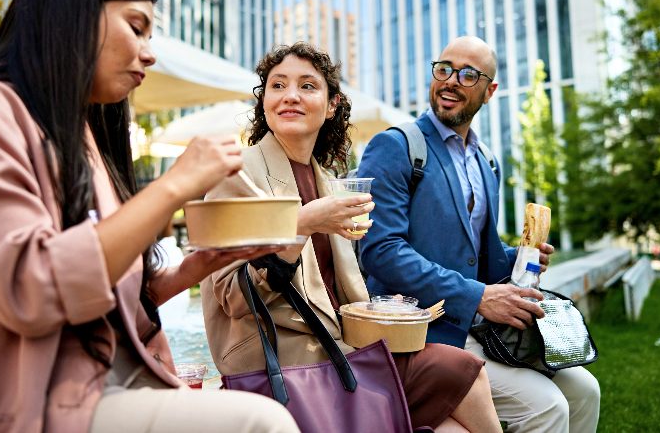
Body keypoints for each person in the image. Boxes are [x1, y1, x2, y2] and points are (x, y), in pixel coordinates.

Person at [0, 0, 299, 433]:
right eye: (136, 28)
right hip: (14, 398)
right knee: (259, 422)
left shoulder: (82, 138)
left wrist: (196, 268)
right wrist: (173, 185)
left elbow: (100, 297)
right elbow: (32, 291)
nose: (150, 53)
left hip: (98, 380)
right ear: (71, 16)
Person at [202, 41, 502, 432]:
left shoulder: (329, 183)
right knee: (462, 371)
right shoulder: (235, 174)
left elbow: (334, 292)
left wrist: (385, 308)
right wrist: (302, 222)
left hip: (344, 352)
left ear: (331, 105)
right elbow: (233, 298)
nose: (290, 95)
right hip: (284, 366)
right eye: (277, 85)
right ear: (263, 102)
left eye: (307, 86)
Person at [357, 36, 601, 432]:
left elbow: (476, 256)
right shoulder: (396, 146)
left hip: (479, 330)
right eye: (444, 69)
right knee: (548, 407)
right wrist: (478, 296)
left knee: (586, 390)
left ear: (490, 91)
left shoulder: (487, 161)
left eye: (468, 74)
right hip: (422, 335)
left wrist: (521, 256)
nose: (451, 81)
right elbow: (381, 251)